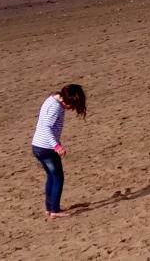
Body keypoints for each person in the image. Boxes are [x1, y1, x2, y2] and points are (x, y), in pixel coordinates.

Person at [31, 83, 87, 219]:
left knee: (51, 176)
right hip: (46, 148)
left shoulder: (52, 100)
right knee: (58, 178)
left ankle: (49, 208)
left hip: (38, 146)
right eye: (71, 106)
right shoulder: (56, 107)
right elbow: (46, 127)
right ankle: (54, 210)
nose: (71, 109)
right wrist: (56, 146)